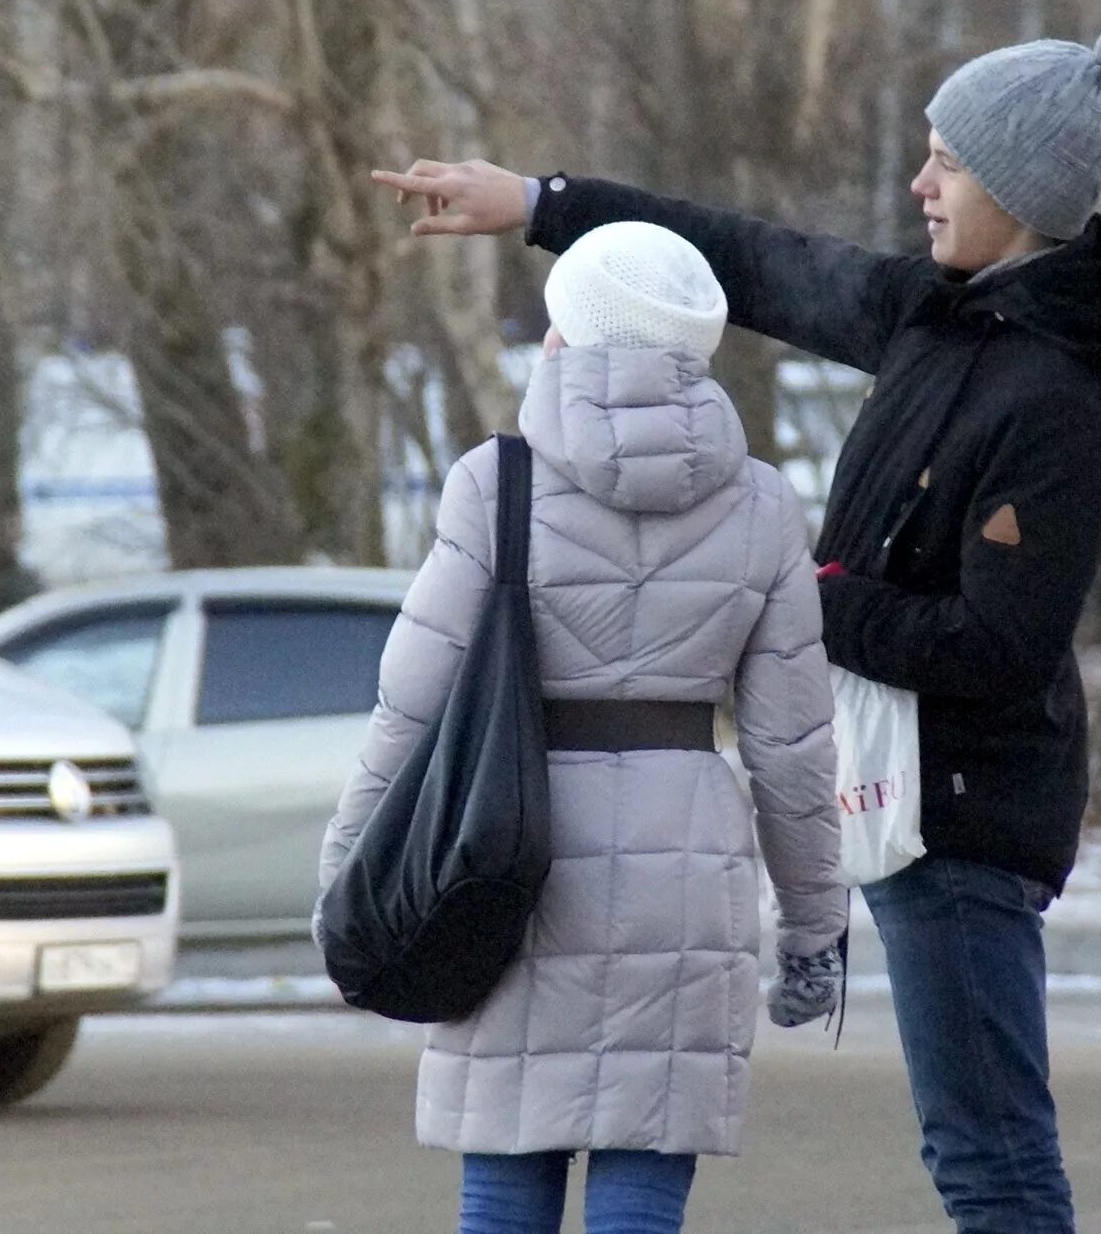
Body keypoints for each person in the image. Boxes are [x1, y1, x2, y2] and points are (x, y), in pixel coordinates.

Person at [373, 24, 1101, 1233]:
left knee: (990, 1156)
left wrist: (799, 589)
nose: (920, 185)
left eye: (946, 163)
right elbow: (754, 260)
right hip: (897, 791)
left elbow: (998, 647)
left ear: (1017, 190)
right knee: (975, 1147)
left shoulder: (1064, 402)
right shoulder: (940, 316)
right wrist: (543, 204)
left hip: (962, 817)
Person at [318, 220, 847, 1234]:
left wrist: (347, 870)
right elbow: (792, 745)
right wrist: (816, 928)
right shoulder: (763, 504)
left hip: (512, 853)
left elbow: (414, 699)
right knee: (643, 1178)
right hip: (687, 871)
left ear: (563, 334)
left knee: (509, 1171)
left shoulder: (496, 484)